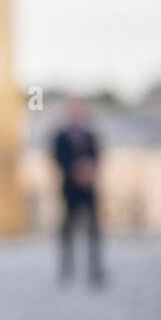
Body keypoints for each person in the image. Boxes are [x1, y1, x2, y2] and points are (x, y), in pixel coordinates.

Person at [50, 96, 105, 286]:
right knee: (67, 229)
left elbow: (97, 156)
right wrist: (74, 171)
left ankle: (95, 268)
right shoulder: (61, 135)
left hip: (88, 188)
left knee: (94, 229)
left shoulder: (90, 135)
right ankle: (67, 268)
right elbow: (57, 158)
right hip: (69, 188)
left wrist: (89, 171)